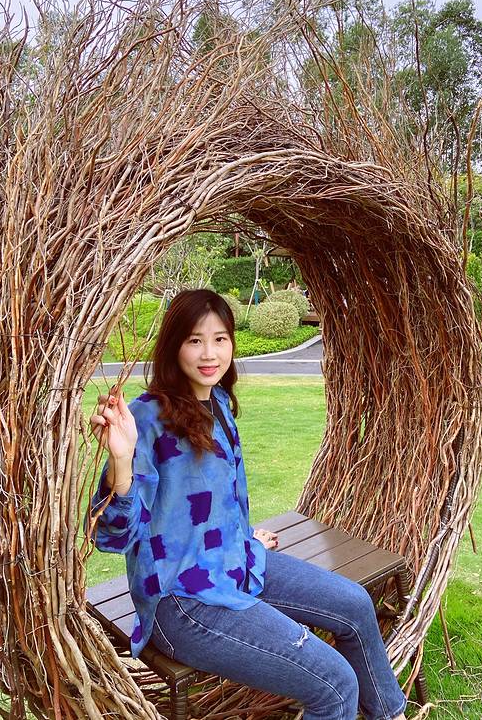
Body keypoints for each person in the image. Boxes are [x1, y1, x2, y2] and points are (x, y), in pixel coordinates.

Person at [88, 289, 407, 720]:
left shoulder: (218, 401)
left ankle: (389, 713)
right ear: (174, 345)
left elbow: (215, 498)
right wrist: (121, 460)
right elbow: (112, 537)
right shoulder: (146, 419)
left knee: (355, 604)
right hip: (182, 600)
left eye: (220, 339)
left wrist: (242, 534)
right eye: (195, 340)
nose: (209, 353)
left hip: (237, 561)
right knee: (335, 685)